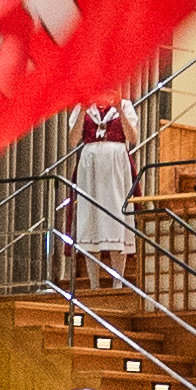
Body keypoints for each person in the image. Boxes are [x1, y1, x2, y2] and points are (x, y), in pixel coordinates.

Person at [70, 97, 140, 280]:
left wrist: (119, 109)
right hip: (90, 165)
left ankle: (118, 280)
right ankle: (93, 283)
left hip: (116, 165)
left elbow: (132, 138)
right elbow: (73, 140)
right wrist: (83, 111)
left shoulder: (125, 106)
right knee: (90, 218)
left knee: (117, 217)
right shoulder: (82, 107)